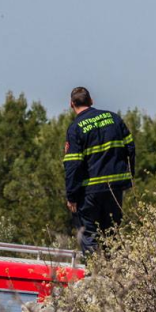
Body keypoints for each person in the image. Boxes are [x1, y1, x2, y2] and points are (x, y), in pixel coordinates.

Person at [63, 87, 135, 254]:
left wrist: (72, 196)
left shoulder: (75, 128)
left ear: (71, 104)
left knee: (88, 236)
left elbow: (73, 164)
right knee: (112, 236)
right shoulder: (114, 119)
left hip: (89, 193)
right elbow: (130, 148)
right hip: (114, 189)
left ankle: (96, 276)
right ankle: (114, 276)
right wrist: (128, 178)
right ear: (91, 101)